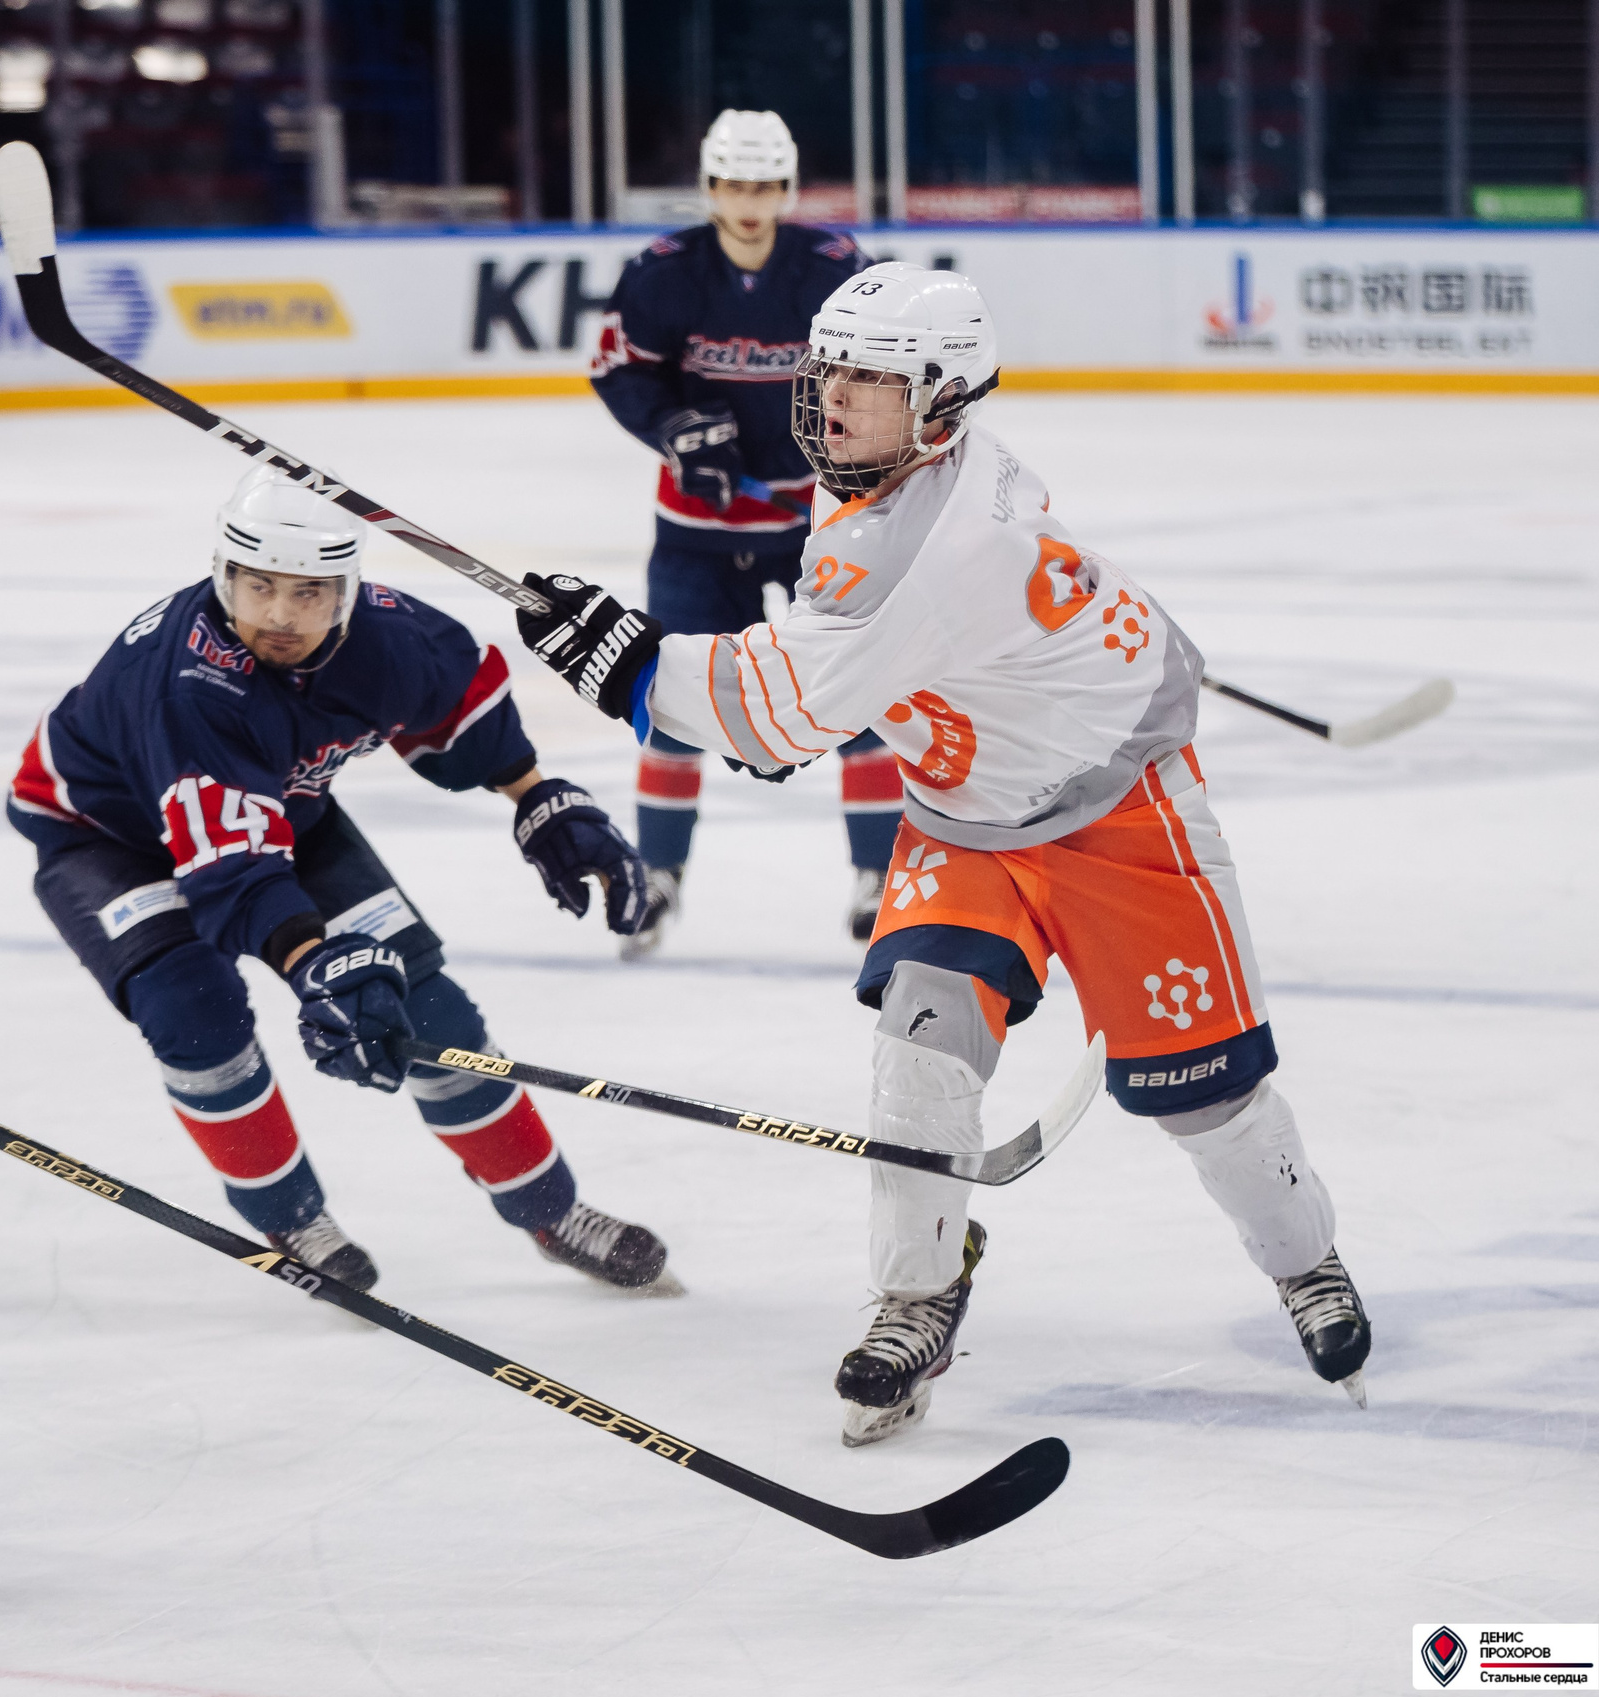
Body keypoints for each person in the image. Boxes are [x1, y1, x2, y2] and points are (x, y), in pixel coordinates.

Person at [513, 263, 1372, 1445]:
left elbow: (781, 717)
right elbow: (836, 668)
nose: (831, 400)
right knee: (919, 1048)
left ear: (944, 400)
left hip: (1120, 816)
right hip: (965, 816)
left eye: (871, 377)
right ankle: (914, 1296)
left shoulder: (925, 541)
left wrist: (629, 665)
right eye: (828, 371)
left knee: (1210, 1097)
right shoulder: (915, 471)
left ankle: (1304, 1260)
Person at [7, 468, 672, 1293]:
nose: (280, 615)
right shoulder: (190, 685)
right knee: (195, 1010)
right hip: (104, 838)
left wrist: (536, 797)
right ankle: (292, 1217)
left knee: (430, 1009)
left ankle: (550, 1209)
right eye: (258, 587)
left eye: (308, 592)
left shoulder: (389, 636)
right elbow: (232, 868)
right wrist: (313, 961)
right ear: (224, 575)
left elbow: (461, 708)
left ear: (349, 589)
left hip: (280, 812)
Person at [589, 108, 896, 955]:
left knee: (857, 691)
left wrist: (849, 459)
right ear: (710, 187)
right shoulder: (663, 274)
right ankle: (656, 874)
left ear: (786, 187)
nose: (750, 202)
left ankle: (880, 874)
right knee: (675, 694)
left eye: (764, 185)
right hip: (698, 527)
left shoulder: (834, 269)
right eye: (734, 184)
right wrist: (675, 430)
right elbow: (620, 369)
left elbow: (879, 379)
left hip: (817, 524)